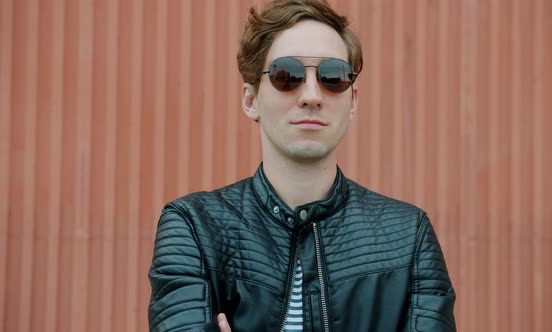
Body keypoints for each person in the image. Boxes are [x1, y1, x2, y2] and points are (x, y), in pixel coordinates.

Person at [148, 0, 456, 331]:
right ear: (251, 101)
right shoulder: (195, 228)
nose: (311, 94)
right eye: (287, 74)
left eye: (332, 75)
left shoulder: (408, 236)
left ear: (352, 101)